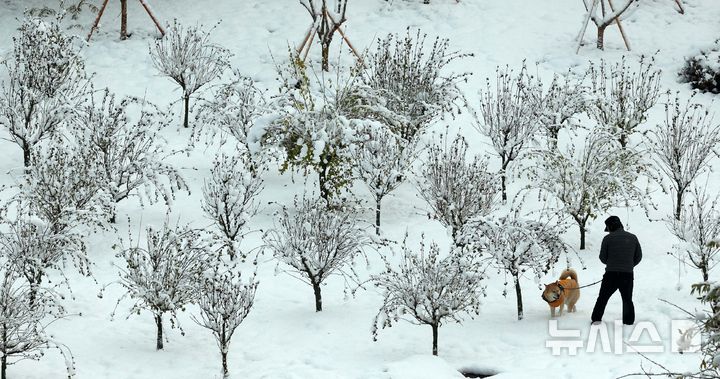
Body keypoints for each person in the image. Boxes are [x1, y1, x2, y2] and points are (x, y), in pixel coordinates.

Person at [591, 215, 642, 325]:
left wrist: (612, 264)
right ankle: (628, 323)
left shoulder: (607, 239)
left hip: (611, 275)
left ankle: (596, 319)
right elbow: (638, 257)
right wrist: (628, 265)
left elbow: (603, 258)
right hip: (627, 275)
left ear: (610, 227)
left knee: (602, 298)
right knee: (627, 299)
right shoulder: (633, 238)